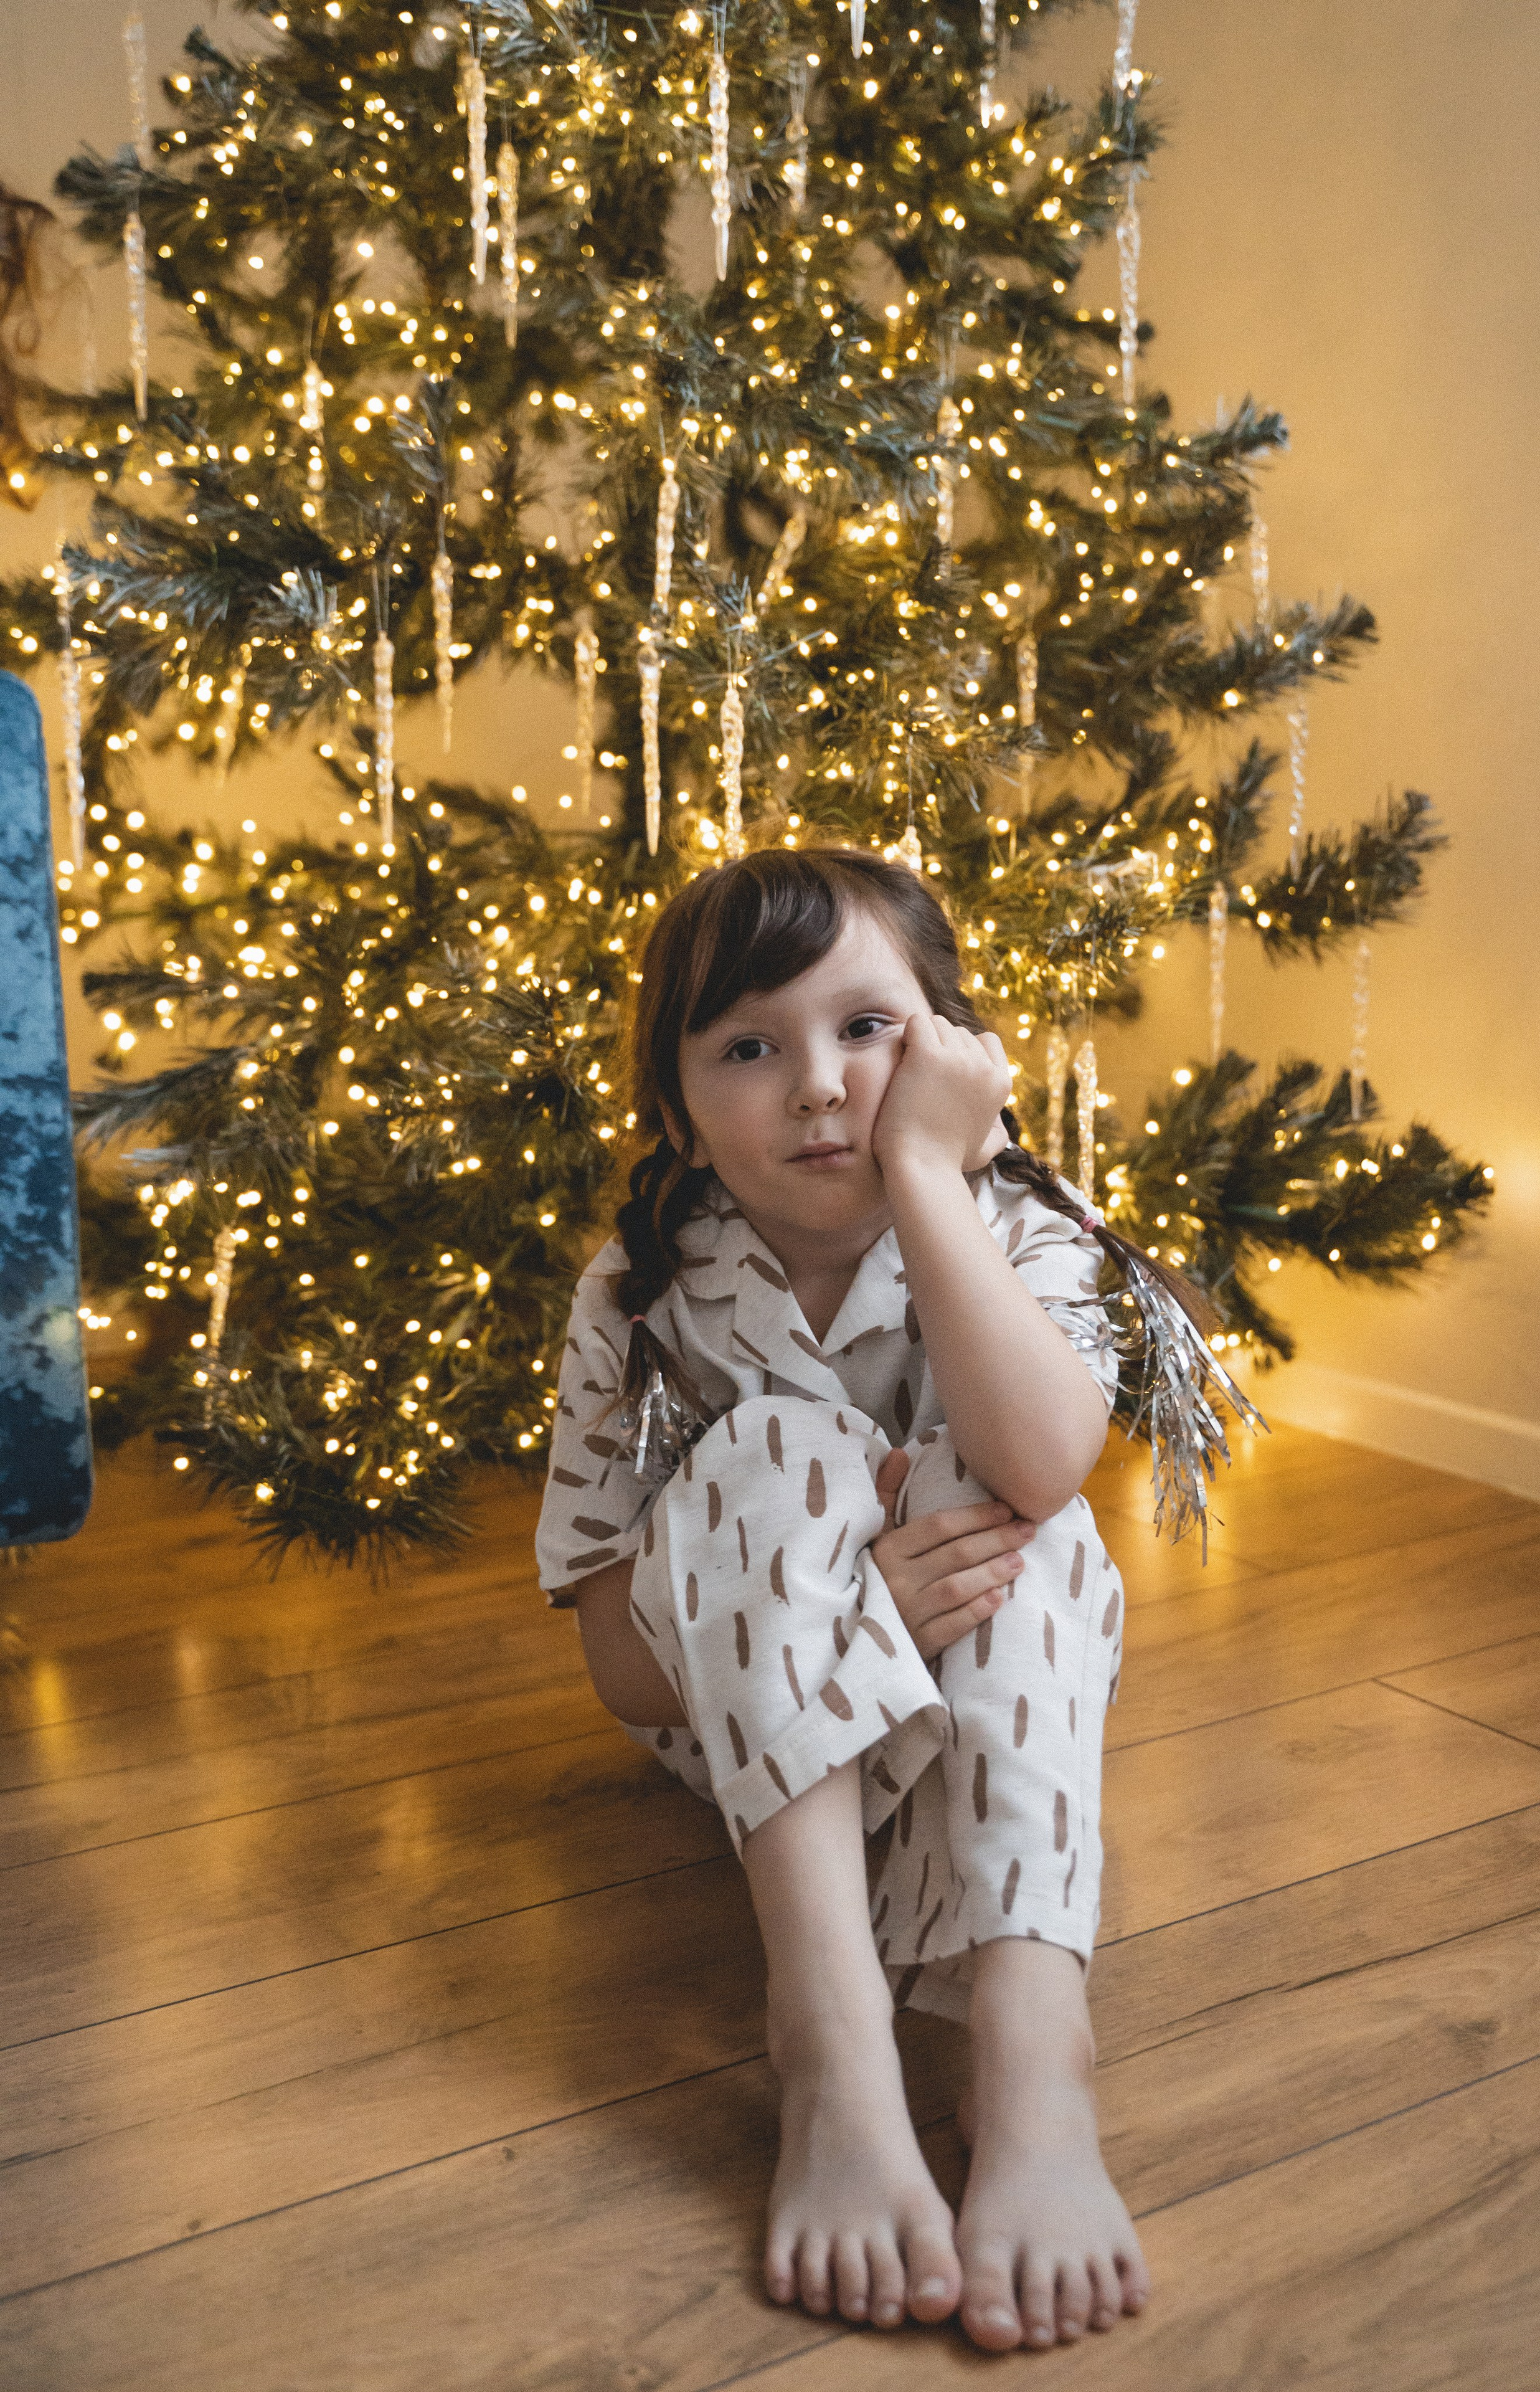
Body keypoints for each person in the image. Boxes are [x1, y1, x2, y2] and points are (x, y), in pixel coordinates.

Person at [536, 847, 1161, 2354]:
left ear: (949, 1048)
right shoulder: (642, 1291)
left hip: (974, 1748)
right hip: (764, 1773)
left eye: (866, 1029)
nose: (817, 1085)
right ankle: (828, 2046)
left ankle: (1027, 2056)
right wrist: (849, 1602)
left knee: (1028, 1512)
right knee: (775, 1450)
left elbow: (1041, 1460)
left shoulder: (1025, 1234)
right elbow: (622, 1669)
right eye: (748, 1047)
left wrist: (929, 1178)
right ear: (678, 1105)